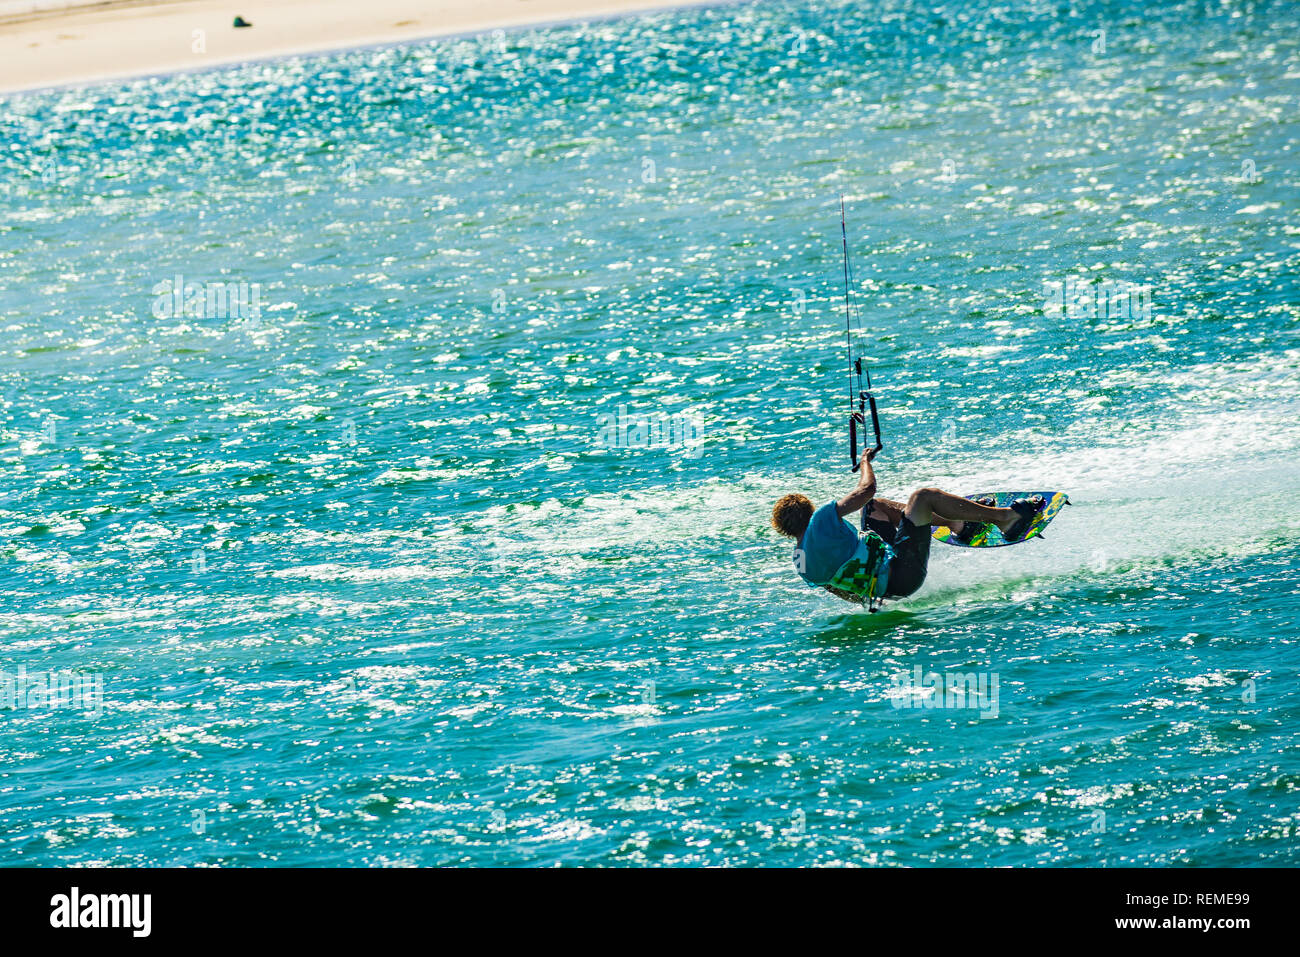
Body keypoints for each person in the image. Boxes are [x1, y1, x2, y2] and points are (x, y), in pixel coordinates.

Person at [770, 450, 1044, 605]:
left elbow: (842, 591)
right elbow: (866, 488)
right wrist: (865, 462)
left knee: (875, 507)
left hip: (885, 589)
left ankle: (958, 523)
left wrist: (877, 593)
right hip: (904, 572)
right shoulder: (820, 520)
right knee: (923, 497)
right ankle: (1004, 517)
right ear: (809, 510)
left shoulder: (800, 562)